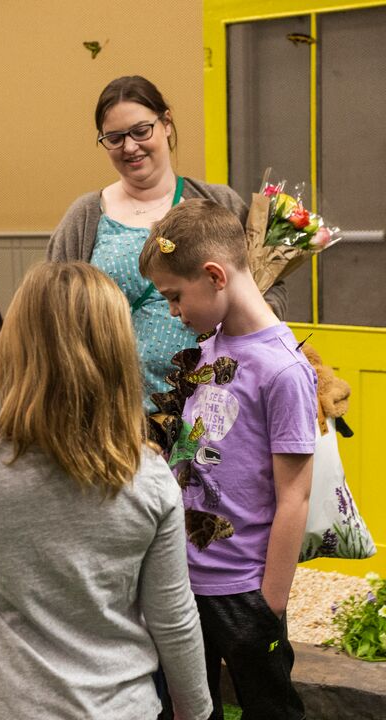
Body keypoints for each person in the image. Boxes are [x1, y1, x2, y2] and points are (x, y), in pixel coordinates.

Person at [0, 261, 213, 720]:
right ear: (118, 354)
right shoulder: (149, 477)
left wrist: (2, 397)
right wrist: (196, 711)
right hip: (119, 708)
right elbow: (174, 618)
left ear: (16, 349)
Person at [138, 199, 317, 720]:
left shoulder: (282, 371)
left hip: (243, 591)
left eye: (175, 296)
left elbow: (295, 495)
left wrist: (271, 605)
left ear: (214, 275)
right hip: (184, 580)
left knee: (270, 708)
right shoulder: (212, 346)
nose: (173, 311)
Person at [47, 75, 286, 409]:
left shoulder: (217, 203)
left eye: (141, 131)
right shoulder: (85, 217)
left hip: (207, 407)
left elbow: (267, 290)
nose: (130, 147)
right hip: (106, 410)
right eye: (114, 138)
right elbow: (50, 308)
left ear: (167, 123)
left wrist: (241, 331)